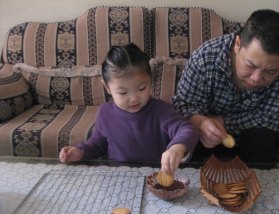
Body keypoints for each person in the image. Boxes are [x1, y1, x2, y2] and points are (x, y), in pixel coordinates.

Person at [172, 9, 279, 163]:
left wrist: (223, 121)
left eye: (271, 71)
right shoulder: (204, 58)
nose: (256, 78)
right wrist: (200, 122)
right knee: (188, 141)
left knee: (263, 141)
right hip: (207, 133)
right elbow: (182, 106)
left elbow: (273, 117)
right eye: (250, 65)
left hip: (258, 133)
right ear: (238, 44)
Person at [59, 43, 198, 173]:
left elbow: (187, 129)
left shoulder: (161, 111)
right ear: (107, 87)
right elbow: (98, 144)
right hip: (118, 176)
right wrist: (80, 151)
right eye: (123, 92)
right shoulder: (105, 113)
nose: (134, 98)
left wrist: (177, 147)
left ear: (150, 81)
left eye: (142, 88)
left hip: (155, 176)